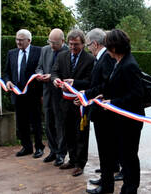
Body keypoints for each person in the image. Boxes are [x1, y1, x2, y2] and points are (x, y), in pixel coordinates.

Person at [85, 29, 145, 194]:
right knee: (126, 157)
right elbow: (117, 88)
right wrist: (102, 97)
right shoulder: (120, 62)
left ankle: (130, 190)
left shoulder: (129, 65)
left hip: (130, 122)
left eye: (108, 45)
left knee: (130, 159)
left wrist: (114, 102)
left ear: (114, 47)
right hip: (121, 120)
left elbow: (136, 96)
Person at [51, 29, 94, 177]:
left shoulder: (90, 60)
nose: (73, 47)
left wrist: (75, 83)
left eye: (76, 44)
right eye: (70, 44)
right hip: (65, 102)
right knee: (68, 132)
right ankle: (72, 158)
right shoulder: (62, 56)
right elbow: (54, 72)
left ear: (83, 44)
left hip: (81, 103)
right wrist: (55, 80)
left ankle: (80, 164)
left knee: (81, 134)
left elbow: (91, 82)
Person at [4, 29, 44, 158]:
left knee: (36, 122)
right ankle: (26, 147)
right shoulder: (12, 53)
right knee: (21, 122)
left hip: (33, 94)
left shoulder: (39, 51)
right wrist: (8, 81)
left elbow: (42, 69)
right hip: (17, 94)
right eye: (17, 39)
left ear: (29, 40)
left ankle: (39, 147)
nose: (18, 42)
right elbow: (7, 72)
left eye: (21, 40)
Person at [35, 28, 68, 166]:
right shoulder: (45, 50)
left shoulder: (68, 51)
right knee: (48, 123)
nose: (52, 45)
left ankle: (61, 153)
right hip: (47, 92)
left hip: (60, 93)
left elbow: (69, 73)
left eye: (55, 43)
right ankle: (53, 151)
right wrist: (40, 74)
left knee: (60, 124)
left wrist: (54, 77)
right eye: (50, 42)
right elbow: (39, 67)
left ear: (62, 41)